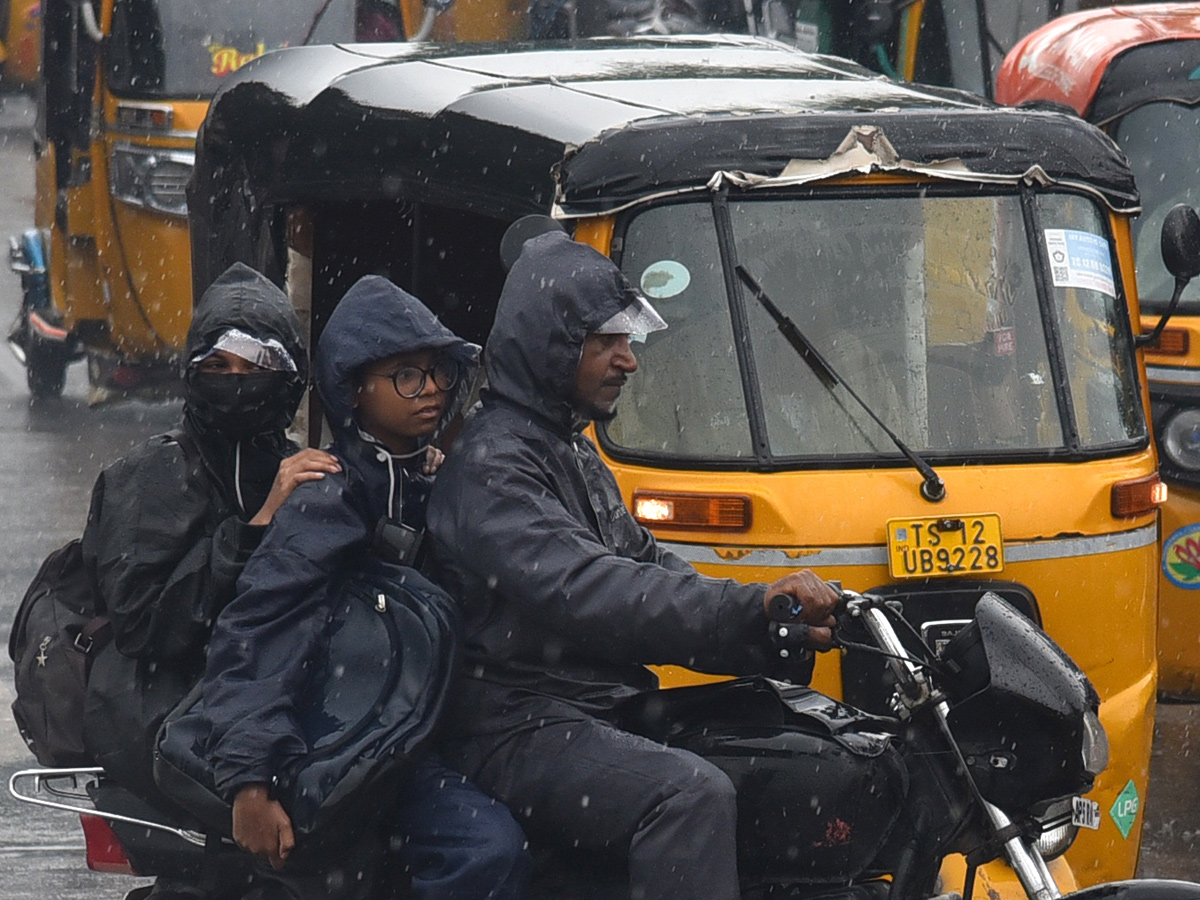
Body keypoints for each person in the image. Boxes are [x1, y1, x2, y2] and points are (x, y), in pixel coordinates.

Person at [425, 230, 839, 900]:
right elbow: (593, 588)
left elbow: (647, 562)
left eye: (629, 341)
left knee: (779, 736)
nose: (629, 361)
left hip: (596, 706)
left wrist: (767, 617)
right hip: (516, 721)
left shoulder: (567, 449)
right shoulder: (494, 467)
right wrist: (746, 607)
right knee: (688, 795)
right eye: (607, 342)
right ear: (554, 345)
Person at [200, 275, 529, 899]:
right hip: (342, 746)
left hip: (418, 740)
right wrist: (250, 782)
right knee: (486, 850)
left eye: (436, 372)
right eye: (406, 375)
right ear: (354, 390)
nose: (430, 389)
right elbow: (259, 629)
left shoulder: (440, 480)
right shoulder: (330, 496)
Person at [82, 262, 340, 895]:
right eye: (218, 368)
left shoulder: (298, 465)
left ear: (291, 380)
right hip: (168, 722)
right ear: (191, 374)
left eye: (255, 370)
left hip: (278, 707)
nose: (236, 385)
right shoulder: (148, 478)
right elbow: (148, 627)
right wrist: (255, 527)